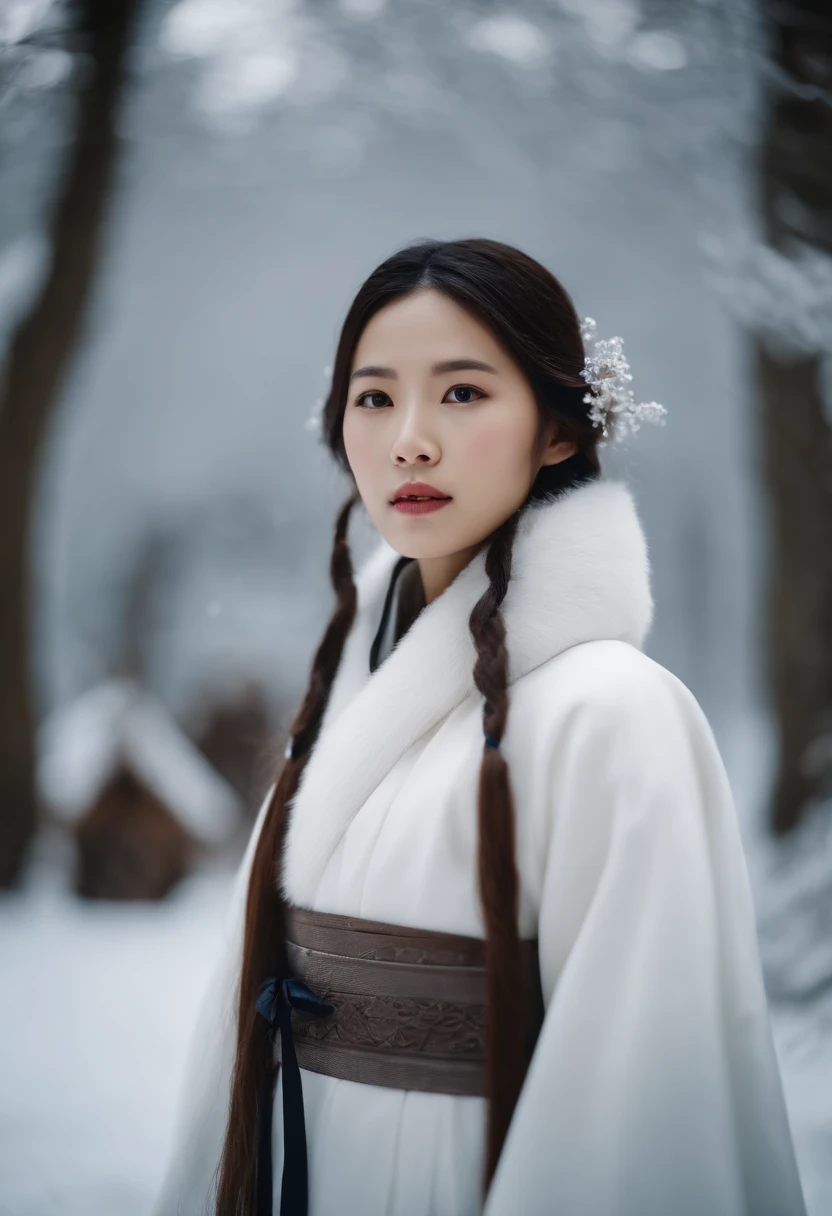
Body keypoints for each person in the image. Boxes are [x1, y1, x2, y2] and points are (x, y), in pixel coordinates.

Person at [153, 238, 806, 1216]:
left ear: (556, 429)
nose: (410, 439)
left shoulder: (616, 714)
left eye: (461, 393)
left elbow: (632, 1105)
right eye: (373, 398)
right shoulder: (346, 689)